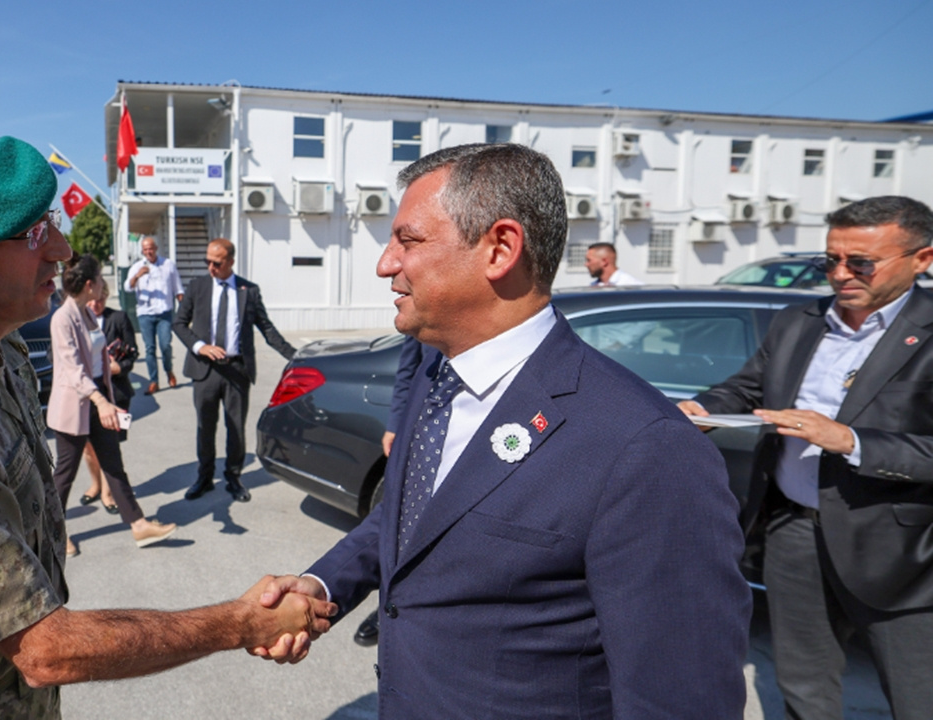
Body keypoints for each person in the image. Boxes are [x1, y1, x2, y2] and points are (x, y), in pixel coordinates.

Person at [0, 134, 334, 719]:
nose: (62, 250)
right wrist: (240, 621)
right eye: (33, 235)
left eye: (50, 224)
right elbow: (42, 650)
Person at [254, 143, 751, 719]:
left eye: (408, 241)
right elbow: (407, 521)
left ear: (501, 248)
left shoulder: (648, 447)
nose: (385, 264)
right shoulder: (438, 375)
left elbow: (679, 701)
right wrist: (322, 584)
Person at [678, 195, 933, 720]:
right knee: (804, 688)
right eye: (830, 260)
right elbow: (747, 388)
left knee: (917, 697)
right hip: (793, 530)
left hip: (901, 547)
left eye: (860, 262)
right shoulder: (800, 321)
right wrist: (700, 408)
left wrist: (851, 441)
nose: (841, 275)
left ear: (922, 259)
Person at [48, 253, 176, 555]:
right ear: (90, 284)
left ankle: (139, 524)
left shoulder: (88, 314)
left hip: (98, 401)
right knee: (64, 475)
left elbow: (98, 362)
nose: (104, 284)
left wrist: (109, 400)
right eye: (101, 278)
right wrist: (101, 401)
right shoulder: (62, 318)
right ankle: (53, 534)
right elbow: (73, 370)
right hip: (75, 406)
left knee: (114, 466)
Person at [173, 238, 297, 502]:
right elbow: (179, 323)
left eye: (216, 263)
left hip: (237, 371)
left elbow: (267, 328)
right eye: (207, 261)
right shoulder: (198, 286)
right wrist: (200, 346)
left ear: (230, 261)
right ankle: (204, 478)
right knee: (205, 428)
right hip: (205, 369)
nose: (210, 267)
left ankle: (233, 477)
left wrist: (294, 356)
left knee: (236, 429)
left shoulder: (248, 290)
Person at [356, 335, 434, 647]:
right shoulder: (423, 304)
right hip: (423, 432)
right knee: (403, 526)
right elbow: (408, 369)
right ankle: (387, 606)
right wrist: (395, 423)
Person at [78, 276, 139, 515]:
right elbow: (57, 355)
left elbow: (133, 354)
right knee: (88, 447)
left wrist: (119, 367)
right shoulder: (74, 319)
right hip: (83, 395)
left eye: (101, 298)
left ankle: (108, 491)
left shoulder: (119, 318)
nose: (96, 304)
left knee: (110, 446)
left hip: (115, 393)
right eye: (93, 299)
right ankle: (95, 484)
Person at [124, 236, 183, 394]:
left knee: (165, 346)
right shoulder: (137, 266)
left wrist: (184, 308)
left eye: (150, 248)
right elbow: (127, 288)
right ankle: (153, 381)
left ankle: (169, 371)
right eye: (145, 249)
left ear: (156, 248)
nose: (148, 252)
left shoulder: (168, 264)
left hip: (164, 312)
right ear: (142, 251)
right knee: (150, 349)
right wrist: (137, 276)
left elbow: (178, 288)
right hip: (145, 314)